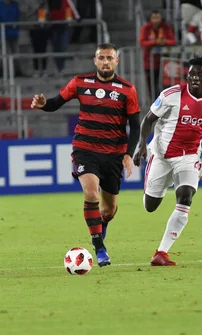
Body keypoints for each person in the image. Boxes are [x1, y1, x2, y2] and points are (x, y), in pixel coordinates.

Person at [30, 43, 141, 266]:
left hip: (113, 154)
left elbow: (135, 126)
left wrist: (129, 154)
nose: (106, 61)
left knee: (109, 210)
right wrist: (43, 104)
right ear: (95, 60)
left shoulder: (127, 89)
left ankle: (101, 225)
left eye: (110, 58)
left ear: (116, 61)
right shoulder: (80, 82)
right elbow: (55, 103)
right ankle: (99, 247)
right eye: (102, 57)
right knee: (91, 193)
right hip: (85, 149)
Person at [133, 57, 202, 266]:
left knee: (185, 196)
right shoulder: (171, 95)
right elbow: (148, 120)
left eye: (200, 75)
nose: (194, 78)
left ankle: (161, 253)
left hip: (189, 156)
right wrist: (141, 145)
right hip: (161, 155)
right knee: (150, 206)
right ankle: (160, 184)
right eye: (191, 74)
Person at [139, 10, 176, 100]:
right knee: (151, 85)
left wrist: (164, 42)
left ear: (161, 18)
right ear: (150, 19)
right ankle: (154, 103)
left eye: (157, 18)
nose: (156, 20)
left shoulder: (166, 27)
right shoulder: (146, 28)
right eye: (154, 18)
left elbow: (173, 41)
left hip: (164, 62)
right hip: (149, 62)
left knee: (166, 84)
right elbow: (142, 42)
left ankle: (166, 102)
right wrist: (155, 42)